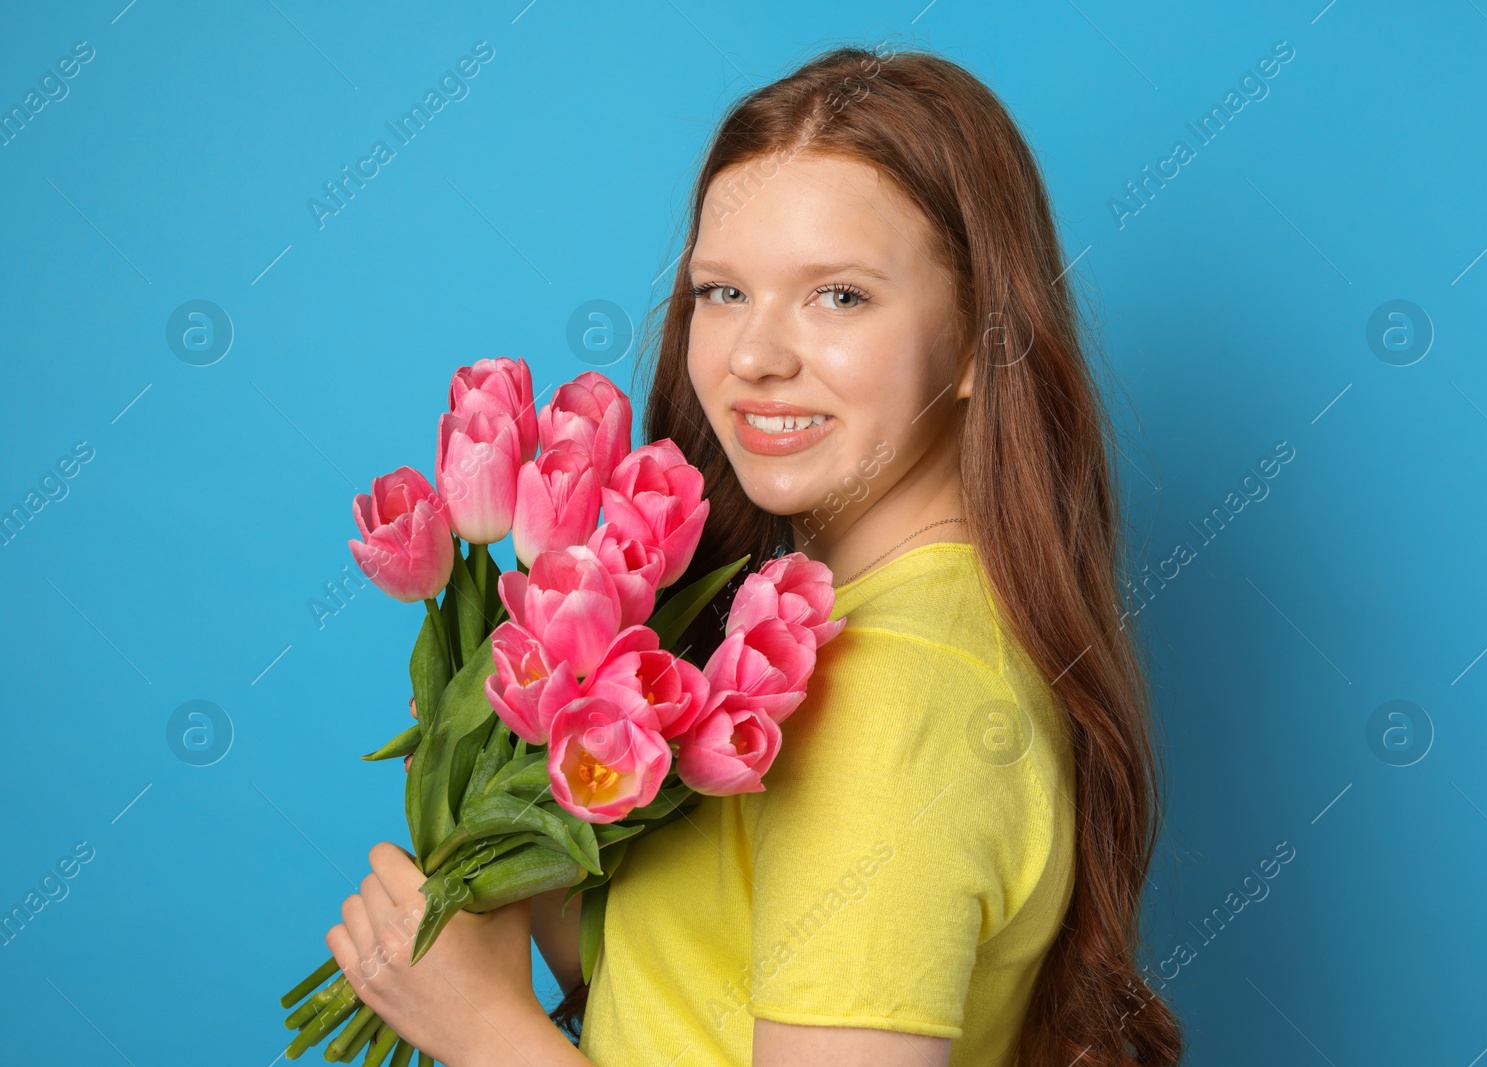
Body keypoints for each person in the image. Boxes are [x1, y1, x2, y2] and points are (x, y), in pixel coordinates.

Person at [326, 45, 1181, 1067]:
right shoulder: (842, 631)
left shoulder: (892, 691)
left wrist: (482, 1029)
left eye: (841, 296)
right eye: (722, 293)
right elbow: (689, 1000)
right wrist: (509, 818)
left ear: (974, 344)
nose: (752, 356)